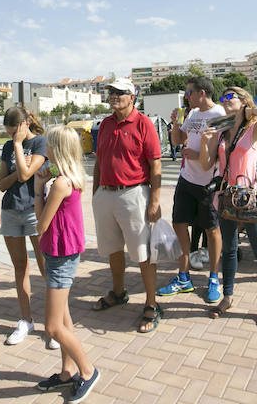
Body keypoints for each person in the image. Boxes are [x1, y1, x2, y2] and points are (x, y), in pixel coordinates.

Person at [198, 87, 257, 327]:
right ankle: (228, 296)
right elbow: (206, 164)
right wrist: (205, 143)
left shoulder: (253, 129)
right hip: (225, 196)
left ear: (243, 100)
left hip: (249, 195)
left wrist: (249, 111)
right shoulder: (222, 132)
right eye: (223, 98)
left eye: (229, 96)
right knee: (230, 250)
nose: (224, 100)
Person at [90, 78, 162, 333]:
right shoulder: (105, 124)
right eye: (110, 92)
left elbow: (155, 165)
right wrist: (96, 192)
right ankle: (118, 292)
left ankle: (151, 303)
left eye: (119, 92)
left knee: (143, 253)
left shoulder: (143, 124)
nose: (113, 96)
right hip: (106, 195)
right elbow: (99, 161)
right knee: (113, 250)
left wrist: (155, 200)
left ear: (132, 97)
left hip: (134, 195)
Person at [33, 126, 100, 402]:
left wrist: (38, 188)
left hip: (60, 255)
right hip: (60, 252)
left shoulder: (60, 183)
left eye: (49, 145)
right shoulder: (70, 177)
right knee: (63, 318)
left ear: (57, 149)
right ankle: (66, 371)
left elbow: (40, 224)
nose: (44, 150)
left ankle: (87, 370)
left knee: (52, 327)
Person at [160, 76, 226, 303]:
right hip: (187, 179)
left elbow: (225, 151)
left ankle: (214, 278)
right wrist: (176, 124)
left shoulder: (219, 114)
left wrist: (200, 156)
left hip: (209, 182)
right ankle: (184, 276)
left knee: (212, 230)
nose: (186, 96)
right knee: (179, 224)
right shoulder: (193, 114)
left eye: (189, 92)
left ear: (202, 93)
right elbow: (179, 141)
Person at [0, 107, 56, 349]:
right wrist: (18, 173)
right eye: (9, 133)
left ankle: (54, 325)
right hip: (11, 210)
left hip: (34, 211)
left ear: (25, 124)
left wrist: (20, 148)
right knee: (20, 267)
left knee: (45, 268)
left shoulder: (41, 142)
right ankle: (26, 320)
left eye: (15, 132)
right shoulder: (8, 146)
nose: (12, 137)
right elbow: (3, 183)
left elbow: (26, 173)